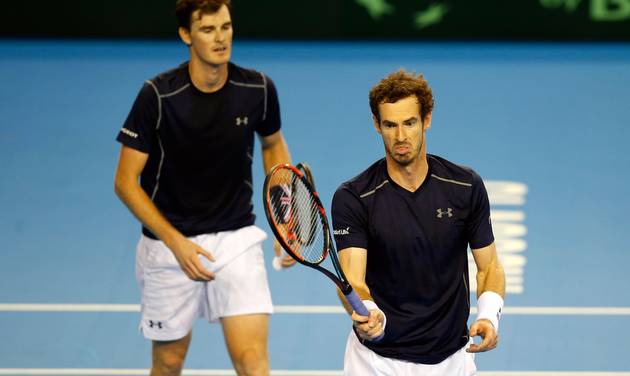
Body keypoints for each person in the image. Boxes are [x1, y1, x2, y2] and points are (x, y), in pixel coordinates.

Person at [113, 1, 294, 374]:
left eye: (226, 27)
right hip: (168, 244)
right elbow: (126, 183)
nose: (220, 38)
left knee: (253, 363)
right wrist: (176, 242)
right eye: (208, 30)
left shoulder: (257, 88)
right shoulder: (158, 96)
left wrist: (283, 217)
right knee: (169, 363)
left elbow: (273, 145)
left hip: (235, 237)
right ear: (186, 35)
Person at [331, 69, 506, 375]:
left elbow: (489, 266)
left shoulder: (464, 187)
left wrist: (489, 315)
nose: (400, 137)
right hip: (377, 362)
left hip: (451, 359)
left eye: (410, 123)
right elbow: (352, 279)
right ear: (376, 124)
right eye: (390, 125)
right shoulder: (354, 197)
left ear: (427, 120)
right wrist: (370, 312)